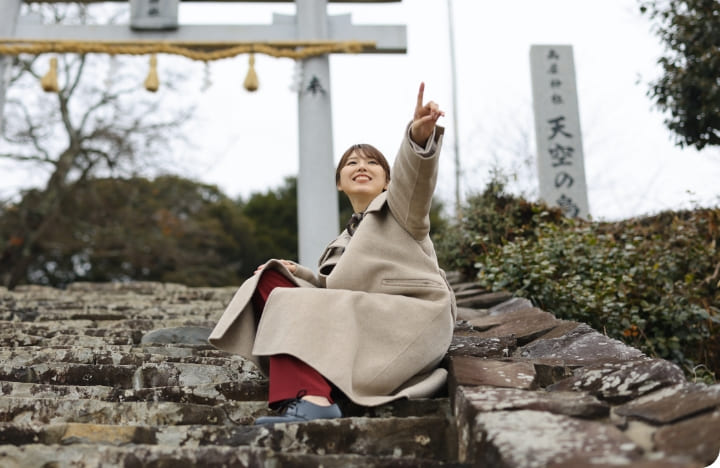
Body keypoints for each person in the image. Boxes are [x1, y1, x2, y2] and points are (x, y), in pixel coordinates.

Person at [208, 82, 457, 424]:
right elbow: (333, 290)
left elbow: (415, 182)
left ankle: (311, 399)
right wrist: (300, 273)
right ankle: (312, 394)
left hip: (406, 319)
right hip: (362, 322)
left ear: (388, 180)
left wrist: (417, 138)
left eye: (373, 162)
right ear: (339, 181)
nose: (361, 166)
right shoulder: (341, 242)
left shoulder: (400, 210)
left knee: (290, 302)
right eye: (352, 162)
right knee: (270, 283)